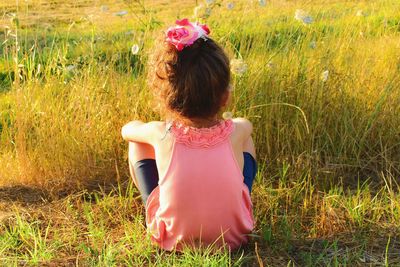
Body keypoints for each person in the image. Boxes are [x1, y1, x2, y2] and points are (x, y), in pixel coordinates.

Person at [121, 18, 257, 251]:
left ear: (167, 98)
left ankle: (155, 212)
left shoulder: (160, 133)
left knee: (137, 143)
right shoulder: (236, 131)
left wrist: (151, 126)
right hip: (234, 238)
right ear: (224, 97)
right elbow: (246, 125)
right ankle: (236, 210)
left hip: (172, 239)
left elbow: (127, 130)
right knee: (246, 142)